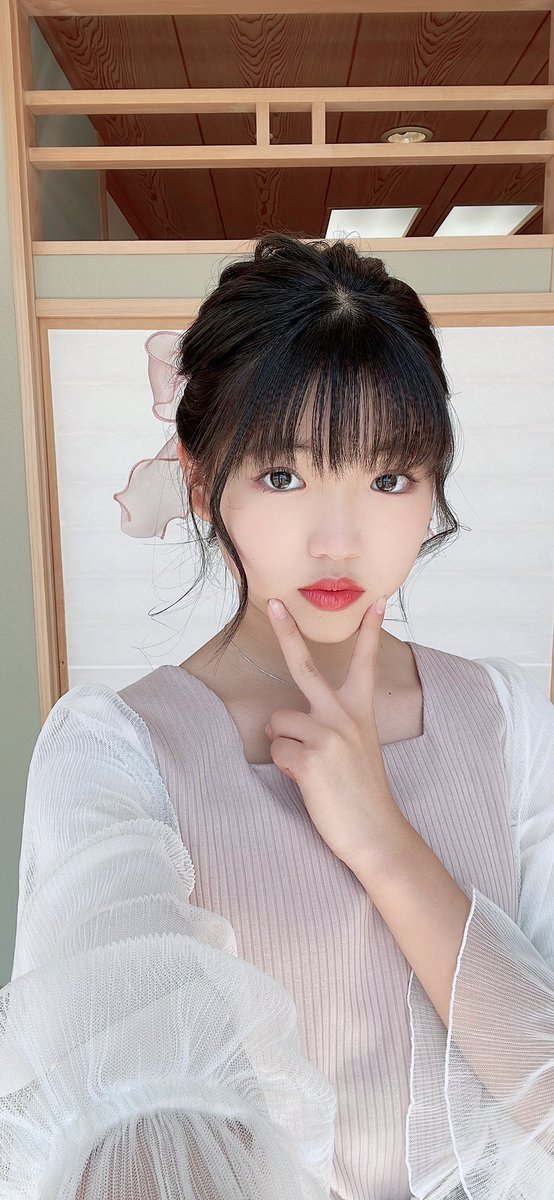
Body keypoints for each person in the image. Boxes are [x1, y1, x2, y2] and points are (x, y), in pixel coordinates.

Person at [1, 234, 552, 1199]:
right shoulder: (116, 754)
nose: (340, 539)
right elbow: (129, 1139)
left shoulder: (505, 720)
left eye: (390, 479)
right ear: (201, 477)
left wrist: (383, 841)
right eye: (284, 476)